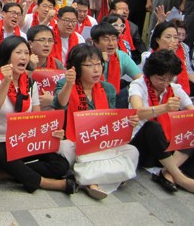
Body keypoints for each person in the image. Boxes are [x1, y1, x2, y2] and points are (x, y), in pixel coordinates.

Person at [0, 36, 76, 194]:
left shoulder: (30, 83)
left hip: (21, 141)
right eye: (18, 52)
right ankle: (45, 183)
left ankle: (4, 174)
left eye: (26, 53)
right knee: (5, 155)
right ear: (6, 56)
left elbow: (37, 119)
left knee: (60, 165)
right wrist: (6, 81)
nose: (24, 57)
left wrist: (52, 133)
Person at [129, 49, 194, 196]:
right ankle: (180, 178)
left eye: (169, 79)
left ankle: (167, 173)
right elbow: (137, 111)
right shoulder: (138, 85)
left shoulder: (174, 89)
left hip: (167, 149)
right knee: (152, 126)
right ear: (150, 73)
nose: (164, 83)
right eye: (160, 79)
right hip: (142, 145)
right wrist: (164, 108)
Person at [53, 44, 139, 200]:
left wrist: (128, 122)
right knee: (63, 148)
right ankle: (108, 178)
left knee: (132, 151)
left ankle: (89, 182)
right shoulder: (65, 83)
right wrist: (69, 85)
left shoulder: (108, 88)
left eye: (99, 64)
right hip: (75, 141)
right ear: (77, 68)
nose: (96, 70)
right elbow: (60, 104)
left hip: (100, 142)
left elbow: (111, 118)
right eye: (90, 65)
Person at [91, 23, 142, 108]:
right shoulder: (87, 56)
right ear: (95, 42)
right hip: (91, 96)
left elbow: (140, 79)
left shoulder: (122, 56)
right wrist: (99, 61)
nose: (111, 43)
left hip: (114, 97)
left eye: (114, 39)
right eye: (106, 39)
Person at [141, 21, 194, 96]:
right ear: (158, 40)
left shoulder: (179, 59)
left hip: (175, 95)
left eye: (175, 37)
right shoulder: (147, 56)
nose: (173, 41)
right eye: (168, 37)